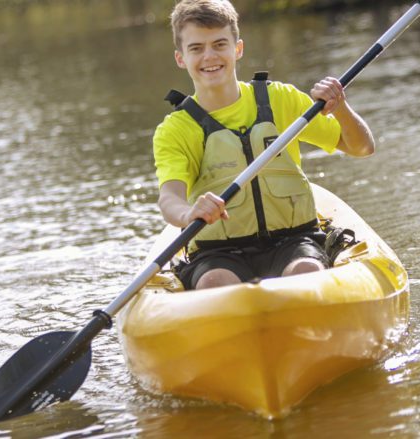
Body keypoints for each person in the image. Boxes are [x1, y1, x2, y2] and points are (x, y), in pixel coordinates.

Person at [154, 0, 375, 290]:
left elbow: (361, 147)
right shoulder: (175, 129)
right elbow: (169, 198)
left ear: (238, 49)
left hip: (294, 240)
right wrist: (188, 213)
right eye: (196, 48)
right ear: (181, 58)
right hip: (218, 253)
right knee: (215, 282)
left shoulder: (280, 99)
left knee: (307, 270)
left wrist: (341, 108)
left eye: (220, 44)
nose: (209, 56)